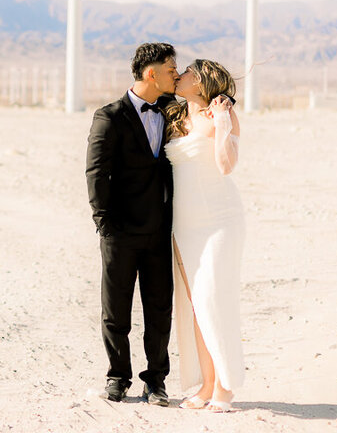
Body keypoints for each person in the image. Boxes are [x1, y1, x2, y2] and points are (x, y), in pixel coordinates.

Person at [86, 42, 179, 405]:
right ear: (151, 73)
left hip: (159, 229)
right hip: (120, 231)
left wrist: (226, 102)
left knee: (159, 308)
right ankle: (118, 376)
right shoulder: (110, 116)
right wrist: (104, 223)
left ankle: (155, 380)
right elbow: (96, 172)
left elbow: (208, 102)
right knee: (116, 309)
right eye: (172, 69)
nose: (176, 74)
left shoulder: (172, 111)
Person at [163, 59, 245, 413]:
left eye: (187, 73)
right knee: (197, 306)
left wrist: (224, 123)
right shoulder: (174, 116)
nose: (178, 75)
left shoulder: (221, 116)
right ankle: (207, 384)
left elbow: (226, 165)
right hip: (184, 224)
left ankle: (226, 386)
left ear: (201, 81)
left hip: (220, 220)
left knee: (214, 298)